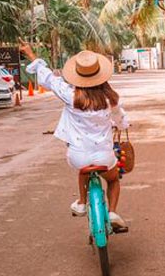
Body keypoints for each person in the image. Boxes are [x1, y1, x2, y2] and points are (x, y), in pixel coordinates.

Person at [20, 41, 129, 231]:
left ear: (77, 76)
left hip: (77, 156)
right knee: (112, 180)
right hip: (104, 155)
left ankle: (81, 202)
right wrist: (123, 125)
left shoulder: (70, 96)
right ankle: (112, 212)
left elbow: (48, 78)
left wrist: (30, 53)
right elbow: (120, 120)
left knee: (83, 168)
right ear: (101, 76)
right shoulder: (110, 99)